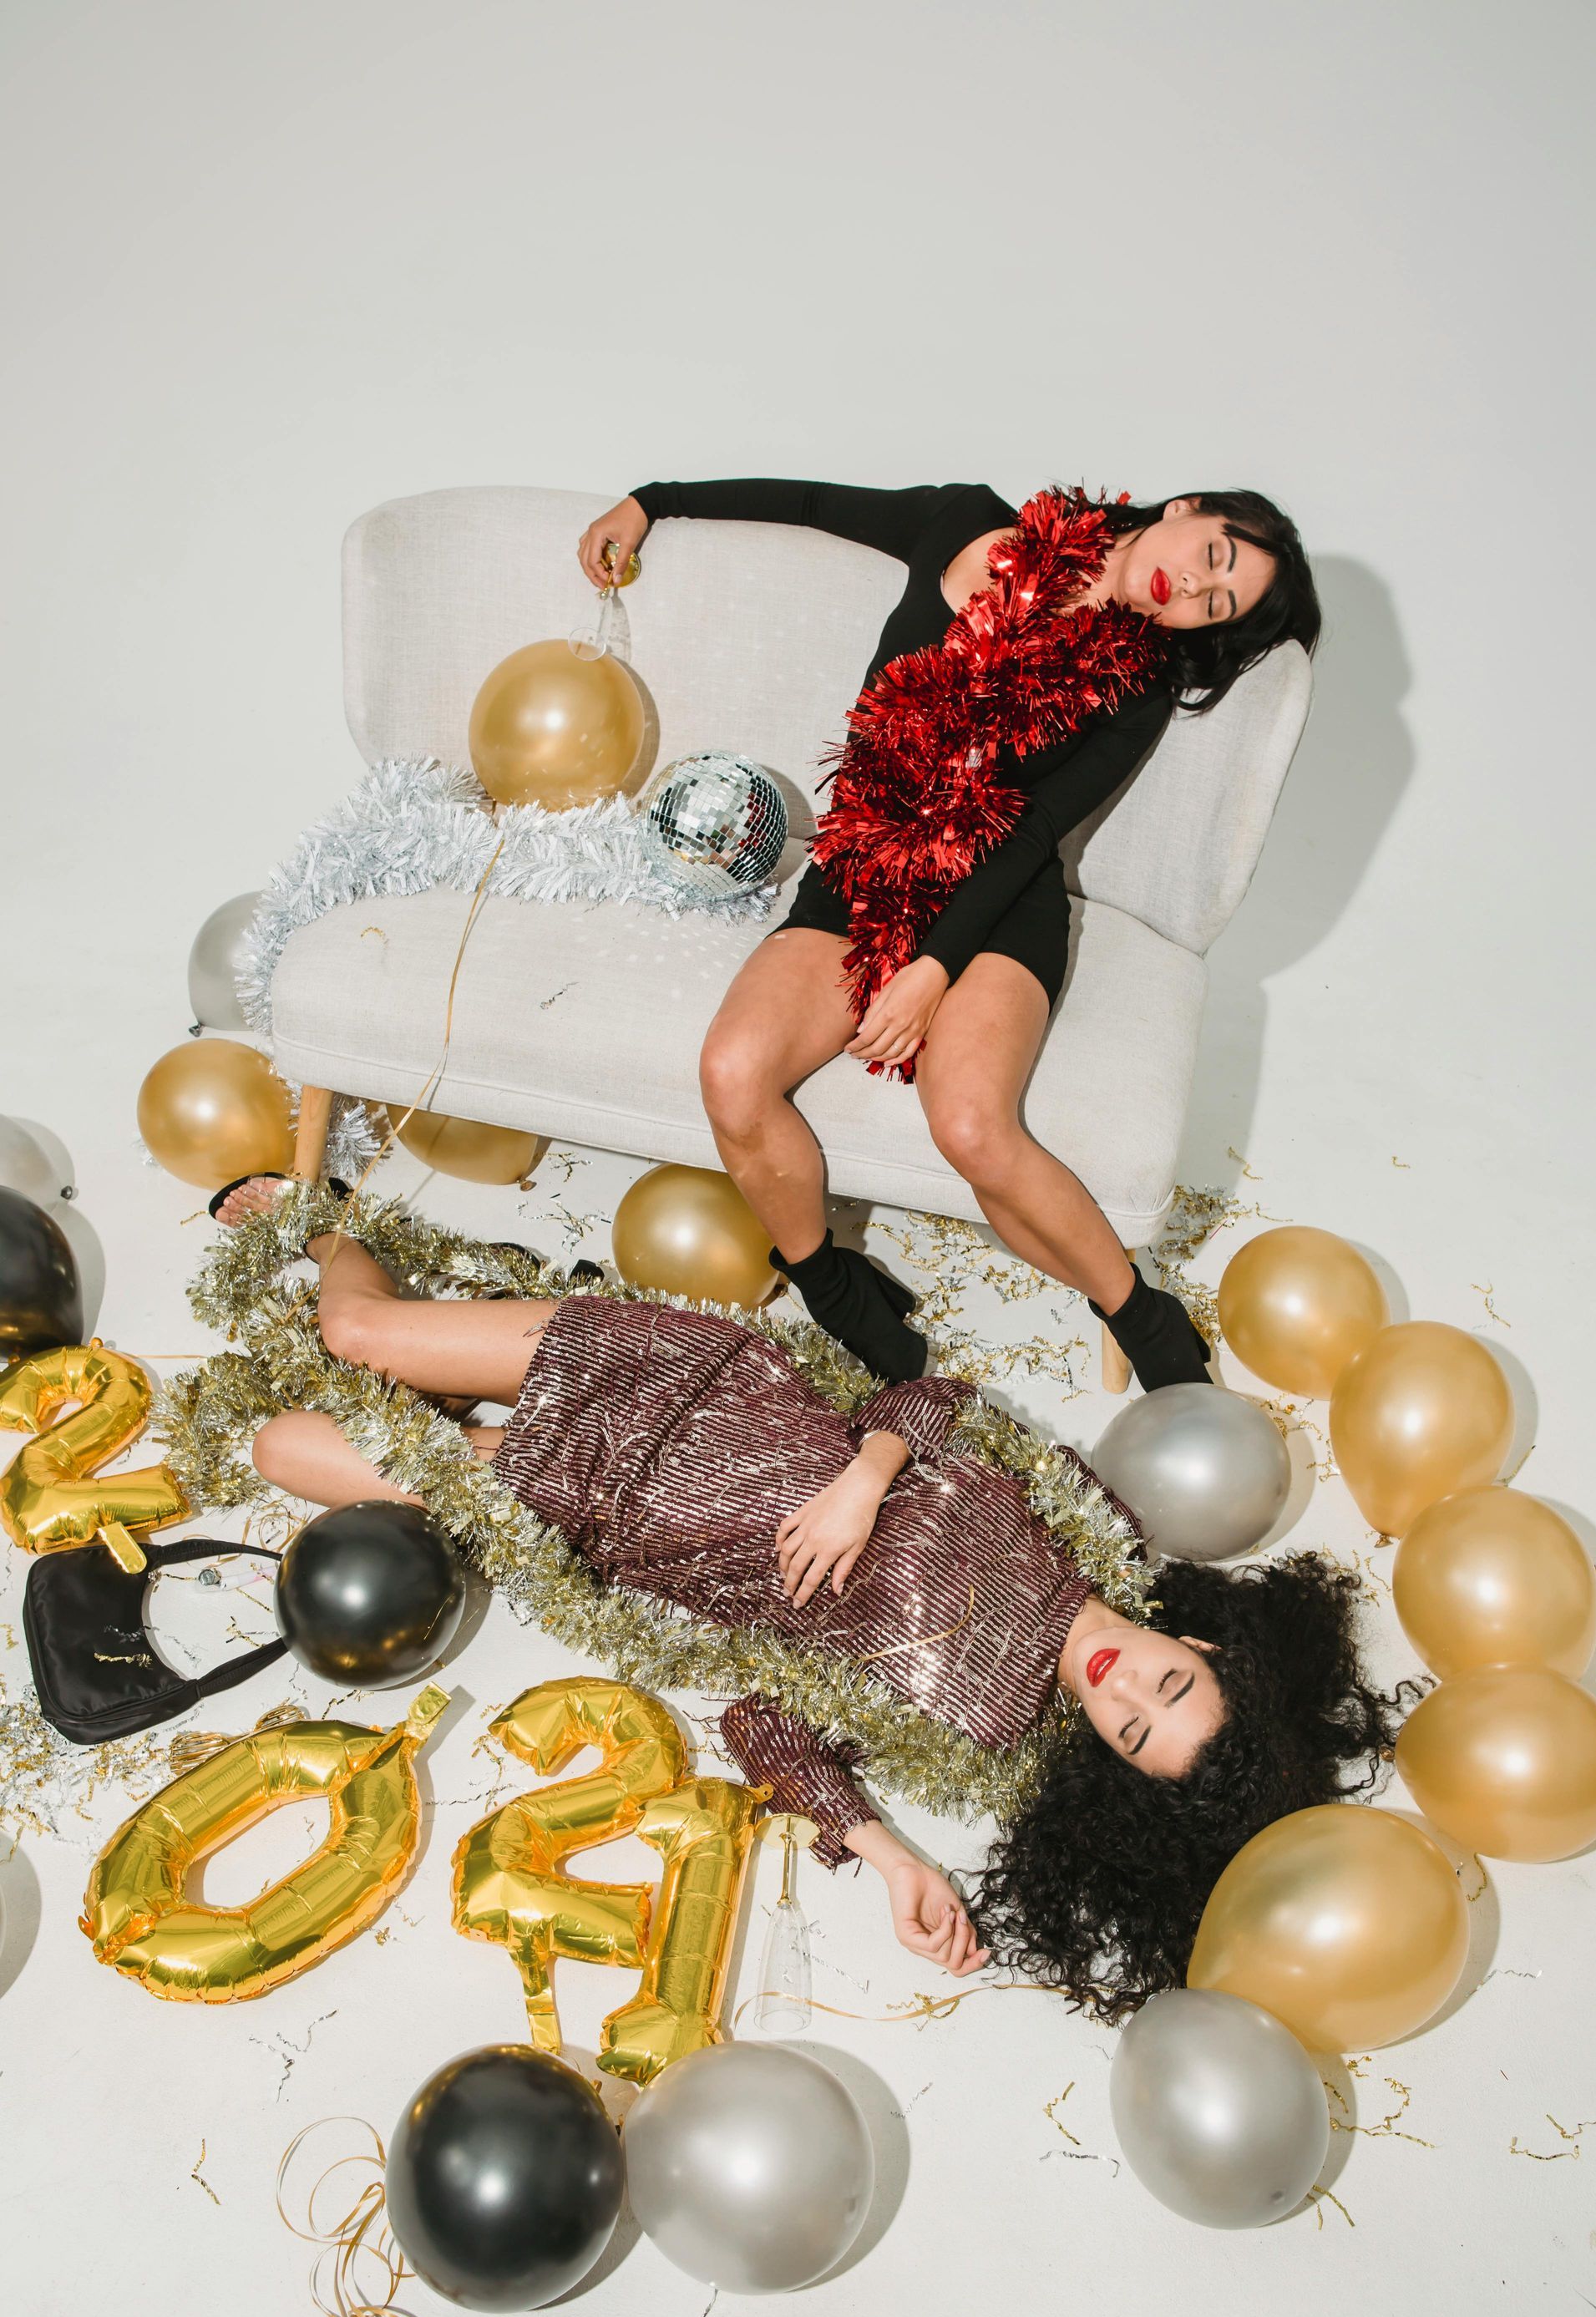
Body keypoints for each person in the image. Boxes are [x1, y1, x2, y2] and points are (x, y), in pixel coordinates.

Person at [219, 1178, 1404, 2021]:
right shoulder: (1103, 1534)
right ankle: (324, 1215)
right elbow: (943, 1399)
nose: (1124, 1689)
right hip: (695, 1382)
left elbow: (762, 1725)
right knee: (352, 1328)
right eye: (1170, 1680)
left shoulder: (984, 1719)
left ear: (1107, 1755)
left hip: (617, 1514)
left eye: (1133, 1730)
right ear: (1197, 1638)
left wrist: (890, 1858)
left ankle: (460, 1399)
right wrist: (862, 1479)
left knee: (283, 1448)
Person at [577, 477, 1320, 1397]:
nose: (1195, 592)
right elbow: (811, 505)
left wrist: (932, 968)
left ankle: (1138, 1310)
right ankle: (829, 1282)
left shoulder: (1139, 683)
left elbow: (1032, 830)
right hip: (867, 868)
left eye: (1218, 605)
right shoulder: (966, 519)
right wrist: (651, 501)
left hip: (1000, 903)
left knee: (972, 1127)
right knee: (733, 1074)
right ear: (1183, 511)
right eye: (1214, 556)